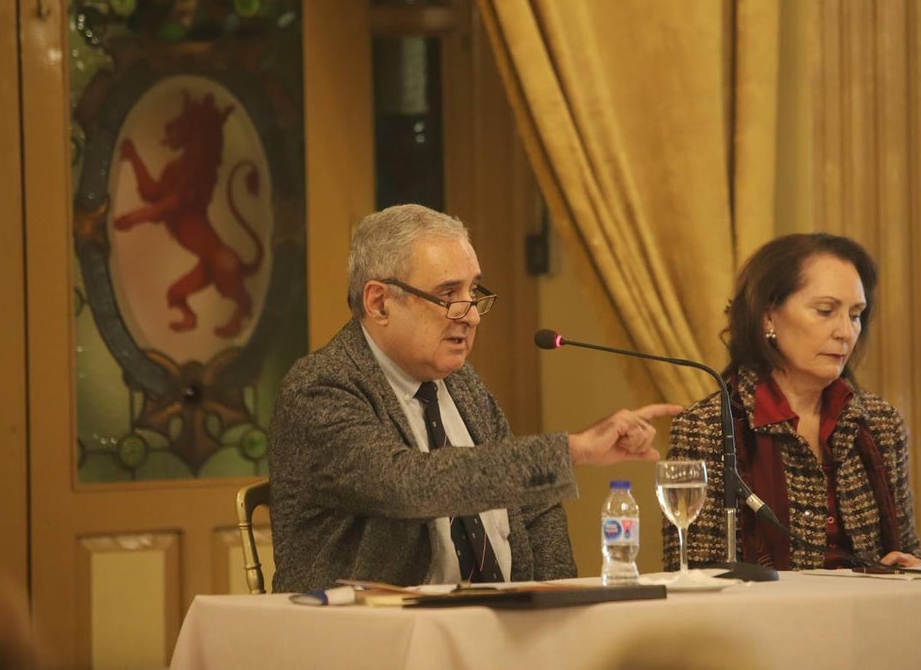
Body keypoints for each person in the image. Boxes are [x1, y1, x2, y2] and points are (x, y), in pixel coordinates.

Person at [269, 204, 680, 591]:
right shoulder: (320, 388)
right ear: (379, 303)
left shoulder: (461, 382)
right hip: (371, 640)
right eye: (448, 295)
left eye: (474, 292)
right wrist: (572, 450)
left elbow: (533, 506)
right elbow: (408, 484)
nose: (471, 315)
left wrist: (556, 600)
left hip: (493, 628)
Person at [663, 233, 921, 571]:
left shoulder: (880, 423)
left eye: (855, 314)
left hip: (869, 617)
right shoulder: (708, 427)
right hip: (759, 620)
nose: (846, 332)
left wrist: (914, 565)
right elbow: (689, 570)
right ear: (768, 318)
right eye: (825, 311)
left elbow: (909, 548)